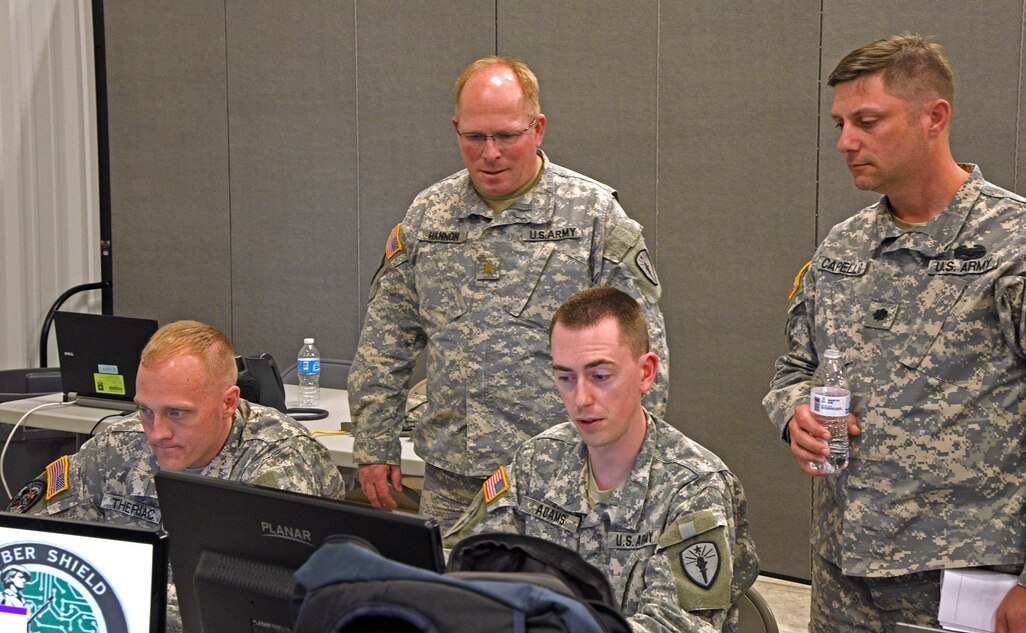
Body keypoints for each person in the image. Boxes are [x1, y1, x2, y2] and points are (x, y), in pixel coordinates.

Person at [763, 34, 1026, 633]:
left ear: (934, 117)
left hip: (967, 582)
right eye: (839, 123)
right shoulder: (841, 248)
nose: (845, 143)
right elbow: (794, 369)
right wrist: (795, 414)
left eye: (867, 121)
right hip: (843, 576)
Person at [350, 56, 669, 531]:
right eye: (474, 137)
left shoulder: (593, 215)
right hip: (453, 477)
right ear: (456, 129)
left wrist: (632, 465)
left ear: (538, 129)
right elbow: (386, 339)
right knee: (454, 599)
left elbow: (644, 351)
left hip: (565, 475)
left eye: (506, 136)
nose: (490, 153)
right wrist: (374, 442)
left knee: (557, 600)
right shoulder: (429, 215)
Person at [446, 286, 757, 633]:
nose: (581, 398)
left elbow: (674, 626)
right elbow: (468, 570)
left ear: (646, 372)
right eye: (565, 377)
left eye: (600, 376)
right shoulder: (536, 461)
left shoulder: (693, 487)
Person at [7, 319, 345, 523]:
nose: (157, 433)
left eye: (177, 413)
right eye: (145, 410)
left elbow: (277, 601)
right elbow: (29, 539)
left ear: (228, 402)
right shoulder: (117, 446)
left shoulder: (278, 465)